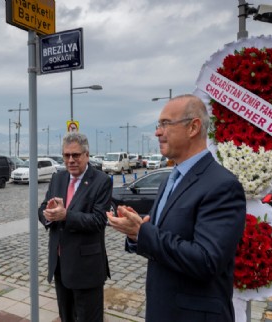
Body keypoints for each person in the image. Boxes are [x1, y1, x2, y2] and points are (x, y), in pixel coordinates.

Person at [107, 94, 246, 322]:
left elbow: (206, 261)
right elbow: (161, 240)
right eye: (158, 125)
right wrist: (136, 233)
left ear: (193, 127)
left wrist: (142, 232)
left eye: (165, 124)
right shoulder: (171, 179)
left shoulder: (222, 185)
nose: (157, 132)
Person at [38, 132, 112, 322]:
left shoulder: (101, 181)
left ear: (87, 155)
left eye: (76, 155)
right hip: (60, 265)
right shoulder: (58, 178)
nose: (70, 160)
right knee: (66, 317)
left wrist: (65, 215)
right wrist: (48, 215)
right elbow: (42, 208)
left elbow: (98, 220)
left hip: (86, 268)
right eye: (66, 156)